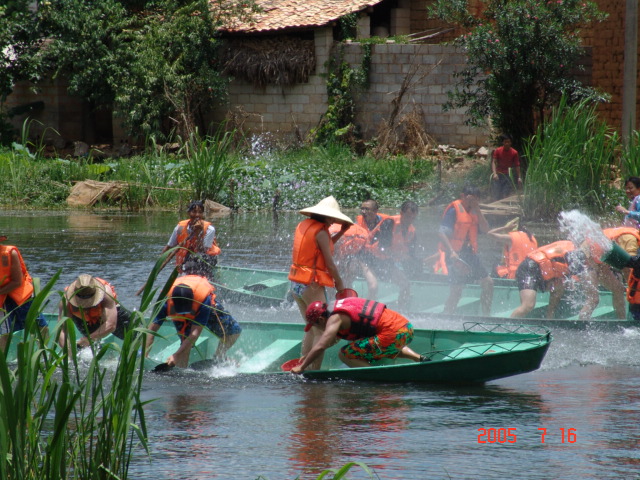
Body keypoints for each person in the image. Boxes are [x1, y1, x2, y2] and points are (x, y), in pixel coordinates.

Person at [288, 195, 353, 370]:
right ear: (325, 216)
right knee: (323, 330)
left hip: (296, 283)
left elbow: (321, 246)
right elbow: (330, 263)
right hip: (311, 285)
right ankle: (313, 370)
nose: (333, 221)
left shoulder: (304, 225)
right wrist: (340, 285)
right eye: (332, 217)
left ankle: (303, 365)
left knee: (310, 326)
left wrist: (341, 232)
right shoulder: (322, 232)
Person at [290, 297, 426, 374]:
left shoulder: (334, 318)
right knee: (380, 344)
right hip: (406, 330)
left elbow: (322, 345)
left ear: (320, 319)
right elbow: (332, 341)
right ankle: (419, 358)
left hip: (392, 335)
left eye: (315, 325)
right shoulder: (336, 307)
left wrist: (302, 368)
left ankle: (374, 377)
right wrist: (307, 357)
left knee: (344, 354)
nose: (317, 329)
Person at [146, 275, 241, 368]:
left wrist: (176, 354)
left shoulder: (203, 301)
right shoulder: (165, 303)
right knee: (185, 345)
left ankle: (219, 356)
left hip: (205, 307)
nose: (185, 313)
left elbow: (194, 334)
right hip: (178, 313)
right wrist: (144, 357)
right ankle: (181, 373)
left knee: (234, 331)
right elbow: (151, 331)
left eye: (187, 309)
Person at [439, 185, 494, 315]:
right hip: (455, 255)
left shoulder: (475, 212)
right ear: (462, 196)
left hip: (470, 254)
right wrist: (451, 251)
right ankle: (446, 316)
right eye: (469, 199)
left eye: (474, 200)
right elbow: (441, 233)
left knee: (488, 283)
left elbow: (486, 230)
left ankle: (486, 316)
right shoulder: (454, 210)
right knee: (457, 291)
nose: (471, 203)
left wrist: (478, 209)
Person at [510, 241, 595, 319]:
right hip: (529, 268)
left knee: (560, 287)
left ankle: (550, 316)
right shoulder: (577, 255)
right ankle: (508, 326)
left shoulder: (571, 248)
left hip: (542, 270)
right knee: (528, 306)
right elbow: (587, 285)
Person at [0, 235, 48, 350]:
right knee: (6, 332)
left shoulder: (10, 253)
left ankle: (43, 355)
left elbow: (17, 281)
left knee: (41, 326)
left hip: (20, 295)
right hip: (2, 299)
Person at [367, 200, 419, 306]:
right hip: (372, 259)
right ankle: (367, 312)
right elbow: (382, 247)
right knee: (374, 287)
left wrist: (416, 263)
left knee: (405, 284)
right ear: (401, 213)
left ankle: (402, 312)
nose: (410, 220)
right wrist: (398, 256)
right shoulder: (389, 223)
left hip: (387, 262)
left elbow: (411, 254)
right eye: (408, 216)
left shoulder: (412, 231)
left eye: (413, 218)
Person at [58, 274, 131, 350]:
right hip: (83, 318)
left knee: (137, 334)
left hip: (107, 314)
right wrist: (68, 350)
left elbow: (111, 324)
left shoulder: (105, 293)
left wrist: (89, 338)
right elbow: (62, 330)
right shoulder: (66, 301)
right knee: (88, 350)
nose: (86, 304)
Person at [162, 200, 221, 280]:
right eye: (194, 212)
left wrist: (198, 233)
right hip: (186, 262)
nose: (197, 215)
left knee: (196, 259)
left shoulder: (209, 229)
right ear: (188, 213)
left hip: (206, 260)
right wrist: (160, 262)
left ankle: (205, 278)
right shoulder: (180, 228)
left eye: (200, 212)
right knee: (190, 262)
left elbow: (202, 251)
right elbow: (169, 246)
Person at [490, 133, 522, 201]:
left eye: (508, 142)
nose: (507, 143)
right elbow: (494, 162)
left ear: (511, 143)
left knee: (506, 195)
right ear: (503, 142)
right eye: (505, 142)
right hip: (498, 175)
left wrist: (519, 177)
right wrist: (495, 174)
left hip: (508, 175)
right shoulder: (498, 151)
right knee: (497, 194)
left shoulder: (514, 152)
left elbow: (517, 165)